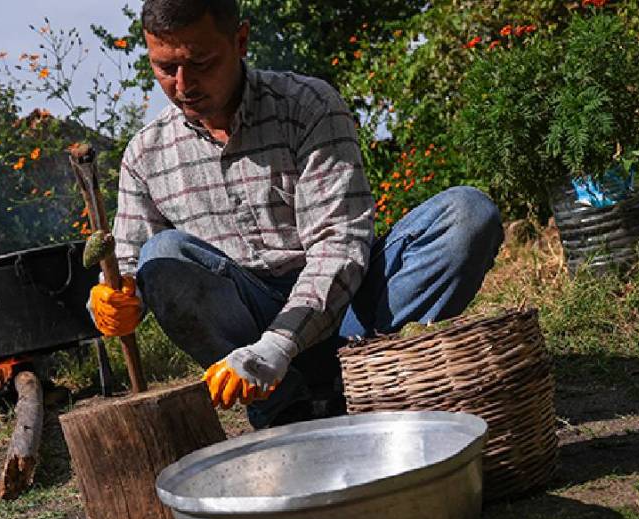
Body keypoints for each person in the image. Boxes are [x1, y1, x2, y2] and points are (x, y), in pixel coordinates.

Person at [87, 0, 504, 429]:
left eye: (201, 63)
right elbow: (129, 268)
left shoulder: (308, 106)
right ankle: (283, 407)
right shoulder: (146, 154)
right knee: (163, 254)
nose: (182, 84)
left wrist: (280, 345)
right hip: (248, 325)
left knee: (467, 215)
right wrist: (114, 298)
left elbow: (339, 246)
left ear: (241, 41)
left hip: (351, 312)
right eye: (164, 68)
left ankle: (370, 374)